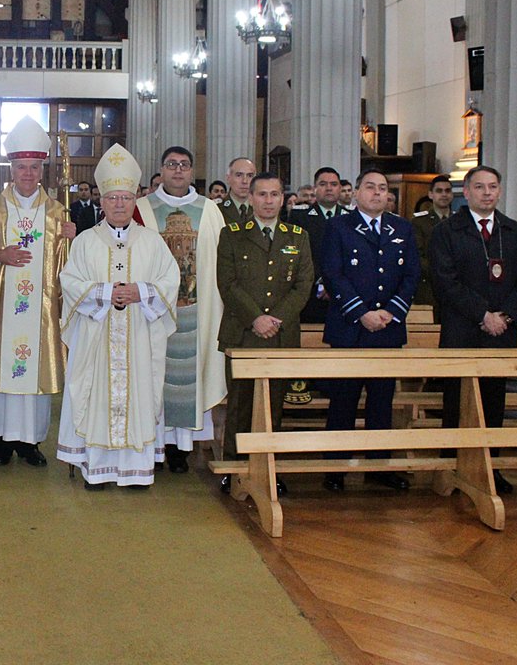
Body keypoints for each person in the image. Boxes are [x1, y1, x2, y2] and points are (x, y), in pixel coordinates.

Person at [58, 144, 179, 489]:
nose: (120, 204)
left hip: (139, 335)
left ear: (135, 200)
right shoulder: (85, 241)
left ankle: (136, 471)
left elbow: (170, 281)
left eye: (126, 198)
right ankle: (97, 469)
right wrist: (105, 293)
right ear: (102, 202)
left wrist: (140, 291)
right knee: (95, 395)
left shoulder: (152, 242)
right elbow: (69, 282)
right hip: (97, 338)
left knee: (139, 394)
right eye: (113, 198)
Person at [0, 117, 75, 468]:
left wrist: (73, 241)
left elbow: (71, 270)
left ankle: (30, 442)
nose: (27, 173)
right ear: (11, 169)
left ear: (42, 169)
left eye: (33, 167)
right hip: (0, 312)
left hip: (41, 314)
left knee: (36, 375)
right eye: (21, 167)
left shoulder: (59, 214)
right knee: (0, 373)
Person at [430, 166, 517, 494]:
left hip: (501, 332)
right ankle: (450, 466)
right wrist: (482, 314)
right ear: (467, 190)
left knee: (493, 401)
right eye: (480, 187)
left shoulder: (514, 231)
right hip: (462, 328)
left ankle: (492, 468)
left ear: (500, 191)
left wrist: (504, 317)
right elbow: (446, 281)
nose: (487, 192)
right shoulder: (449, 231)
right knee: (456, 400)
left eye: (493, 187)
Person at [319, 168, 420, 493]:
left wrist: (390, 312)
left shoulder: (402, 228)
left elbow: (412, 276)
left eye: (382, 188)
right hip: (350, 327)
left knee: (381, 401)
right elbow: (333, 274)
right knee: (343, 400)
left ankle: (380, 464)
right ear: (357, 193)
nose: (377, 193)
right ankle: (334, 466)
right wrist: (362, 313)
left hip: (387, 329)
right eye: (370, 187)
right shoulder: (338, 227)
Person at [215, 173, 311, 496]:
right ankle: (235, 467)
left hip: (281, 336)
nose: (268, 201)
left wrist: (277, 318)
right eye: (262, 195)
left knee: (274, 405)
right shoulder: (232, 235)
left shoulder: (298, 237)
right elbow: (227, 284)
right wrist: (256, 317)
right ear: (251, 198)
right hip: (243, 333)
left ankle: (269, 468)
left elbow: (303, 285)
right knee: (240, 405)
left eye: (274, 195)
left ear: (283, 199)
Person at [135, 146, 225, 474]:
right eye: (171, 164)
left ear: (191, 171)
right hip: (152, 311)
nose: (177, 170)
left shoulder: (210, 210)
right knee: (152, 376)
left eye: (184, 165)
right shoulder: (143, 209)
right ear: (160, 169)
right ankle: (152, 444)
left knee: (190, 379)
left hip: (196, 313)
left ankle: (180, 450)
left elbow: (219, 262)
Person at [294, 167, 351, 324]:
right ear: (315, 188)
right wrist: (321, 282)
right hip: (310, 293)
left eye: (333, 184)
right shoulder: (300, 218)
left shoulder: (351, 219)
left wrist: (334, 284)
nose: (329, 188)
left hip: (345, 294)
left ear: (339, 188)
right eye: (323, 184)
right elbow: (300, 255)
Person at [411, 174, 454, 318]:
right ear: (431, 194)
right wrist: (442, 273)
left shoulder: (459, 221)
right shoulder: (419, 222)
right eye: (439, 191)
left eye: (447, 191)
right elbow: (417, 255)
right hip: (429, 286)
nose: (444, 194)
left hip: (456, 289)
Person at [217, 157, 256, 224]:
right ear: (228, 178)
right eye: (239, 175)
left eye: (250, 176)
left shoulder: (262, 208)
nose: (244, 181)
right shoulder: (217, 209)